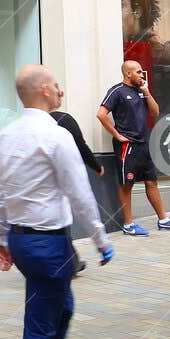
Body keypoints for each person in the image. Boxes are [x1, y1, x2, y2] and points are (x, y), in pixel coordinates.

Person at [0, 65, 114, 339]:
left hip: (22, 238)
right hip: (48, 241)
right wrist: (100, 239)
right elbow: (79, 191)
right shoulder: (56, 136)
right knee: (40, 327)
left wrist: (2, 239)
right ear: (44, 91)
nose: (61, 91)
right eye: (57, 86)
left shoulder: (6, 136)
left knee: (62, 309)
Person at [97, 61, 170, 235]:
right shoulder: (117, 91)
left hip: (143, 143)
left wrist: (146, 92)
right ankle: (129, 225)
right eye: (138, 72)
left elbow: (155, 112)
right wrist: (116, 135)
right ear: (128, 73)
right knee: (126, 185)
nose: (142, 75)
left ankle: (164, 220)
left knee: (151, 181)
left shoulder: (141, 90)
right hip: (127, 145)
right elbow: (101, 114)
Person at [51, 103, 103, 276]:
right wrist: (96, 165)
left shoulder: (25, 127)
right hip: (61, 178)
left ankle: (69, 261)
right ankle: (69, 263)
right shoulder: (65, 119)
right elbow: (81, 145)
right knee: (61, 218)